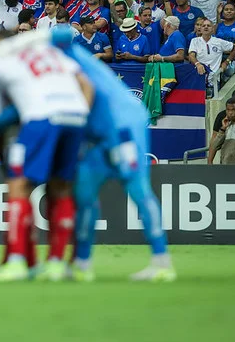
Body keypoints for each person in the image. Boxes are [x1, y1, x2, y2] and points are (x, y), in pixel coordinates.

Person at [47, 26, 174, 282]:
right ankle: (82, 264)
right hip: (98, 136)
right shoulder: (67, 60)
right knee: (84, 193)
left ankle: (162, 262)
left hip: (123, 129)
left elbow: (85, 90)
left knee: (137, 189)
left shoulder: (71, 58)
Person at [0, 26, 93, 282]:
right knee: (61, 188)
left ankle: (17, 262)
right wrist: (81, 114)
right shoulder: (49, 52)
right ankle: (55, 265)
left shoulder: (1, 58)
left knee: (19, 185)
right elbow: (86, 84)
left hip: (41, 118)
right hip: (75, 116)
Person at [188, 18, 235, 88]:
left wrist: (226, 62)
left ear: (212, 29)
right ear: (201, 29)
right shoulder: (195, 41)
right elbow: (191, 55)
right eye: (203, 26)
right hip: (199, 77)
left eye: (208, 26)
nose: (206, 27)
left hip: (214, 78)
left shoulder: (218, 42)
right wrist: (197, 64)